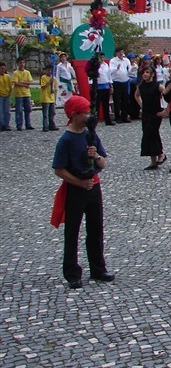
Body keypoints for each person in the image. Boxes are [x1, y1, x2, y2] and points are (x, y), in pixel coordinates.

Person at [50, 95, 114, 289]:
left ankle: (98, 268)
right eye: (85, 112)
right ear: (75, 114)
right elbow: (59, 169)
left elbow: (103, 162)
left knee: (95, 229)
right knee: (72, 231)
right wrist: (78, 182)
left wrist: (96, 157)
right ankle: (72, 272)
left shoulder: (91, 135)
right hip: (76, 190)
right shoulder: (66, 140)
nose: (88, 115)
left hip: (94, 187)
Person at [134, 64, 166, 170]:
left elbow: (167, 94)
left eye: (147, 72)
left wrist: (165, 110)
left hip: (155, 113)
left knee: (153, 133)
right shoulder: (141, 86)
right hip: (146, 113)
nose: (145, 74)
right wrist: (141, 105)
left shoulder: (157, 86)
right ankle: (153, 161)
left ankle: (161, 154)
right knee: (147, 135)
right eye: (143, 72)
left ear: (152, 74)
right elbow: (136, 95)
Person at [109, 47, 132, 123]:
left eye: (122, 52)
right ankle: (117, 117)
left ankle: (124, 116)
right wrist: (116, 68)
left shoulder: (126, 60)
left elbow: (129, 69)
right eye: (120, 52)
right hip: (117, 82)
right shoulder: (113, 61)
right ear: (116, 53)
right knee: (117, 100)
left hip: (125, 81)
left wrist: (130, 69)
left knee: (125, 100)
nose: (121, 53)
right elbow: (111, 71)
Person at [92, 52, 114, 126]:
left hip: (106, 86)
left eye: (103, 57)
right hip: (98, 86)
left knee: (106, 104)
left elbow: (109, 75)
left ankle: (107, 120)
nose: (102, 59)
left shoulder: (106, 65)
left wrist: (111, 85)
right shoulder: (95, 66)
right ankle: (95, 120)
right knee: (97, 105)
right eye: (100, 57)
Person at [12, 57, 34, 130]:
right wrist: (25, 84)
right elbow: (16, 83)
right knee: (19, 110)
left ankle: (28, 124)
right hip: (19, 94)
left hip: (26, 94)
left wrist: (21, 82)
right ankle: (19, 125)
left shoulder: (27, 72)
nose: (22, 64)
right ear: (17, 64)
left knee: (28, 109)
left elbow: (30, 82)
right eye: (20, 63)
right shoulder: (15, 73)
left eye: (23, 62)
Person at [39, 64, 58, 131]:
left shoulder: (54, 78)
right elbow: (43, 86)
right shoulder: (43, 77)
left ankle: (52, 125)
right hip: (45, 98)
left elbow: (56, 87)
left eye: (51, 70)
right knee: (45, 114)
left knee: (52, 113)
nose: (50, 71)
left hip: (52, 98)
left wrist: (54, 90)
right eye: (48, 70)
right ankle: (45, 126)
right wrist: (50, 82)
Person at [0, 62, 11, 131]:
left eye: (4, 68)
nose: (3, 70)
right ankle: (1, 125)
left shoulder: (7, 76)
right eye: (1, 68)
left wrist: (9, 92)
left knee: (7, 111)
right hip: (0, 95)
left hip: (7, 95)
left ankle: (7, 125)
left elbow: (10, 85)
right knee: (1, 111)